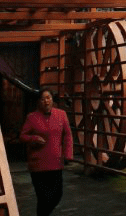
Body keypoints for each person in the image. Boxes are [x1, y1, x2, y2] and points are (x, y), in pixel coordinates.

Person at [19, 88, 73, 216]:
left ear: (52, 99)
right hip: (38, 165)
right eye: (43, 99)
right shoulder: (32, 117)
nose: (46, 101)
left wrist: (68, 154)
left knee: (57, 195)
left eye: (48, 98)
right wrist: (33, 138)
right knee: (43, 198)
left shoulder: (61, 114)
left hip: (56, 162)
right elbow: (22, 136)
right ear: (39, 102)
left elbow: (68, 135)